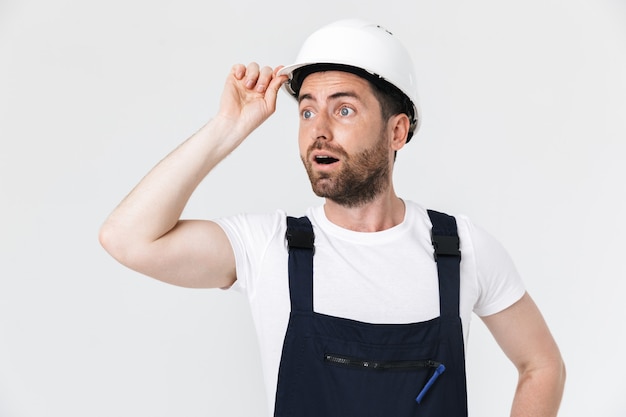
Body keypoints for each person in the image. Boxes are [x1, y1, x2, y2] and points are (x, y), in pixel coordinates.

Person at [99, 18, 565, 417]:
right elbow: (127, 238)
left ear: (397, 131)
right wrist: (229, 126)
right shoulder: (269, 247)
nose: (318, 132)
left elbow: (541, 364)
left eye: (343, 109)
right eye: (306, 112)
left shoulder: (461, 249)